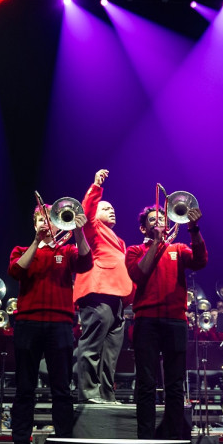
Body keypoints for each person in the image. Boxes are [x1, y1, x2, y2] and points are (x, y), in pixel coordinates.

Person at [3, 205, 92, 444]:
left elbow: (86, 263)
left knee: (62, 390)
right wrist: (36, 242)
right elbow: (16, 271)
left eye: (50, 219)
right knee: (24, 389)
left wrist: (79, 232)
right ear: (35, 223)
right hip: (28, 322)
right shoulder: (22, 249)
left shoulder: (67, 250)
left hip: (60, 324)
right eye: (42, 219)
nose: (46, 223)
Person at [124, 201, 206, 442]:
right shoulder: (134, 250)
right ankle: (146, 441)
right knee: (146, 385)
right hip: (146, 321)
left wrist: (194, 229)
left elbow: (201, 261)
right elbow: (139, 274)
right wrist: (157, 243)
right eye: (152, 220)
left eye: (162, 218)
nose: (159, 222)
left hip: (175, 321)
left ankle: (174, 442)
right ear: (143, 229)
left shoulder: (179, 248)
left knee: (175, 385)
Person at [73, 169, 133, 404]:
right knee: (91, 347)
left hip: (118, 298)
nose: (112, 210)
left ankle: (107, 395)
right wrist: (96, 186)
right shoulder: (93, 228)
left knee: (110, 354)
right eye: (106, 208)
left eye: (112, 208)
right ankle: (88, 394)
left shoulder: (118, 239)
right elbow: (85, 212)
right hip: (98, 293)